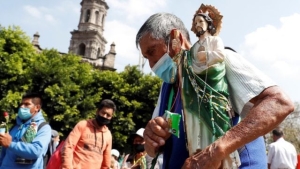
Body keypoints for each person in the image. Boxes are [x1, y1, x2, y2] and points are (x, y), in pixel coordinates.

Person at [136, 10, 294, 169]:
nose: (151, 65)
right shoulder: (167, 89)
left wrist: (217, 150)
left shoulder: (220, 61)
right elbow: (157, 145)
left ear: (176, 38)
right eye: (146, 57)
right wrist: (151, 140)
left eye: (152, 52)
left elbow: (279, 102)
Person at [0, 92, 52, 169]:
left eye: (27, 104)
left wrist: (10, 144)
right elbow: (4, 152)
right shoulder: (15, 126)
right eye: (21, 104)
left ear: (37, 107)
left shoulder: (43, 127)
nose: (22, 107)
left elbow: (36, 151)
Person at [61, 99, 116, 169]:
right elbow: (68, 147)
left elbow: (106, 162)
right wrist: (67, 167)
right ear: (97, 111)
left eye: (108, 115)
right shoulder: (83, 125)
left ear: (111, 117)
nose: (105, 116)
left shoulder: (108, 135)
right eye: (103, 113)